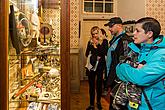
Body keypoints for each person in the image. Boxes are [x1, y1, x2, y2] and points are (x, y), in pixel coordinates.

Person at [116, 17, 165, 110]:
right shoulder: (138, 49)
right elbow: (118, 72)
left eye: (137, 31)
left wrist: (123, 67)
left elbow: (140, 78)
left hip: (152, 106)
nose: (133, 33)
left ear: (149, 34)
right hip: (134, 104)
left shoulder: (162, 54)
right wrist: (123, 67)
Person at [104, 17, 133, 110]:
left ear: (120, 26)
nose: (109, 28)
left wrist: (117, 81)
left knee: (118, 107)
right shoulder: (115, 39)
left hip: (119, 82)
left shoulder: (125, 40)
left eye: (111, 26)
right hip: (113, 80)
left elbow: (125, 63)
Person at [85, 26, 108, 110]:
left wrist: (97, 45)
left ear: (99, 32)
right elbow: (87, 53)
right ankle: (91, 104)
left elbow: (104, 52)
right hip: (91, 66)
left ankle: (98, 102)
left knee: (99, 86)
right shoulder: (90, 42)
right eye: (93, 34)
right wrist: (93, 51)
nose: (94, 35)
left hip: (100, 66)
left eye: (96, 33)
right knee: (91, 86)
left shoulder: (104, 41)